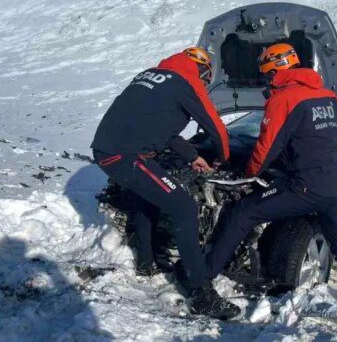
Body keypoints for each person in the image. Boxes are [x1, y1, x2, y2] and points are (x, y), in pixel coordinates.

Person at [205, 43, 337, 311]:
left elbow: (265, 148)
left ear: (274, 70)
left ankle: (202, 278)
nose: (266, 80)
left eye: (266, 74)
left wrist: (247, 173)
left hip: (307, 186)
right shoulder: (327, 95)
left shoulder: (283, 99)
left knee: (244, 211)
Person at [90, 47, 240, 319]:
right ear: (203, 70)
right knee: (183, 206)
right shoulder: (187, 81)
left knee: (146, 196)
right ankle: (201, 293)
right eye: (206, 79)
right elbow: (217, 130)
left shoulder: (152, 76)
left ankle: (146, 263)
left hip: (107, 150)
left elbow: (162, 130)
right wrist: (221, 159)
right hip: (127, 156)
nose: (205, 85)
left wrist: (193, 156)